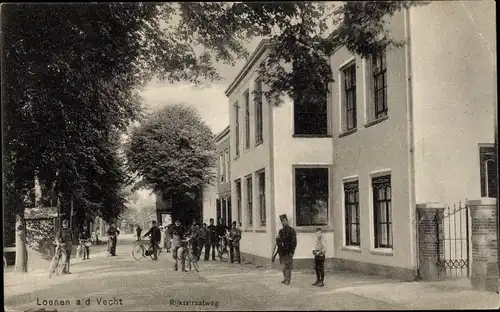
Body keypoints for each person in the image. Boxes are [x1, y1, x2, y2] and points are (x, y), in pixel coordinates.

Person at [276, 214, 297, 285]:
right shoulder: (280, 231)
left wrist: (292, 251)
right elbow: (278, 242)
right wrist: (278, 240)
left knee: (288, 265)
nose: (283, 223)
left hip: (288, 251)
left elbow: (294, 242)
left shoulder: (291, 230)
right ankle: (285, 278)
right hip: (281, 252)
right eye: (282, 221)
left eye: (284, 221)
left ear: (287, 221)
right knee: (283, 266)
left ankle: (288, 279)